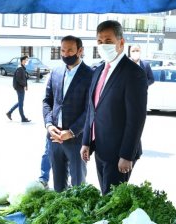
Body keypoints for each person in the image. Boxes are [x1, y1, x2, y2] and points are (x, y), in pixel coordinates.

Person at [80, 20, 148, 195]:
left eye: (108, 41)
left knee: (112, 202)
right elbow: (91, 109)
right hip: (100, 148)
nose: (103, 45)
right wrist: (86, 142)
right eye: (100, 41)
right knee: (105, 196)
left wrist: (127, 155)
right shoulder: (98, 70)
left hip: (119, 153)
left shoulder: (134, 73)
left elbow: (136, 119)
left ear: (121, 42)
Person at [43, 36, 93, 192]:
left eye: (70, 50)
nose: (66, 54)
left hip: (76, 139)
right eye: (62, 50)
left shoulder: (90, 75)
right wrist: (49, 124)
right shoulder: (56, 71)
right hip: (54, 136)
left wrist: (71, 132)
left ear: (80, 50)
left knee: (78, 185)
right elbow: (47, 101)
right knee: (58, 185)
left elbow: (90, 109)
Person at [6, 56, 30, 123]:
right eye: (26, 60)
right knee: (21, 103)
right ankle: (23, 118)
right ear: (22, 61)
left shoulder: (22, 68)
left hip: (21, 87)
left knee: (20, 102)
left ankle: (9, 112)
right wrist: (24, 85)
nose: (26, 61)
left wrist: (26, 85)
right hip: (19, 88)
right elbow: (19, 79)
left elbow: (24, 78)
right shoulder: (20, 68)